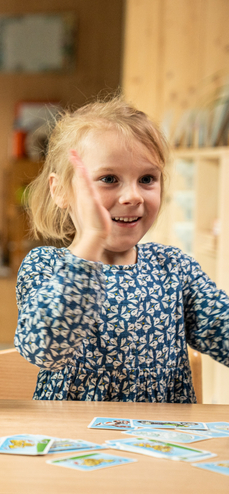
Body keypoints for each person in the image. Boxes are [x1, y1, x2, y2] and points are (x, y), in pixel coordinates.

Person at [15, 97, 229, 402]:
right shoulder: (45, 265)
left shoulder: (174, 268)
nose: (132, 196)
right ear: (60, 190)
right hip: (73, 442)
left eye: (147, 179)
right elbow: (43, 348)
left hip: (160, 442)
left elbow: (224, 330)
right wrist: (91, 240)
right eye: (109, 179)